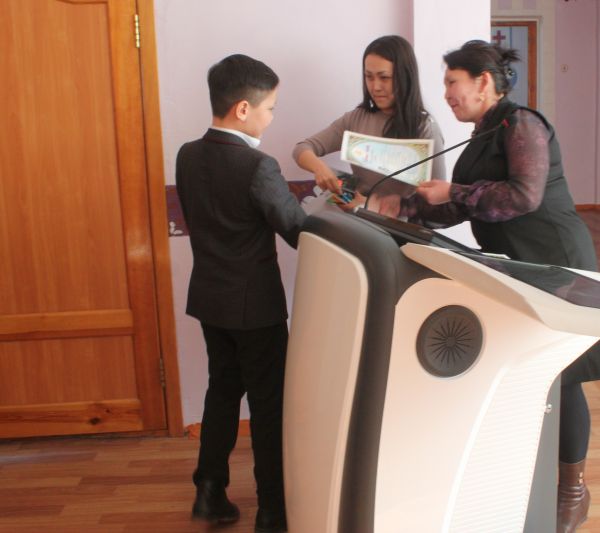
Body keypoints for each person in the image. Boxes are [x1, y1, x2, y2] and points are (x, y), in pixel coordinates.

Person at [402, 40, 600, 533]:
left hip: (556, 263)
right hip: (519, 267)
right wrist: (402, 207)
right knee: (531, 371)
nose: (446, 93)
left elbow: (524, 196)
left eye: (452, 82)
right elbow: (459, 208)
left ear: (483, 81)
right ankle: (530, 477)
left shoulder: (522, 124)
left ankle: (572, 492)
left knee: (562, 374)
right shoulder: (480, 137)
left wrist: (452, 191)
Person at [176, 54, 306, 533]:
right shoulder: (258, 165)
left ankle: (209, 491)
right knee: (269, 407)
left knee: (222, 393)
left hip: (211, 299)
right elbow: (297, 230)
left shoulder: (187, 154)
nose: (271, 118)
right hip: (256, 309)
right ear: (244, 109)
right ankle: (271, 511)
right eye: (270, 108)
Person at [292, 35, 445, 216]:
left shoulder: (425, 128)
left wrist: (373, 205)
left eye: (384, 77)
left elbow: (438, 204)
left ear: (405, 77)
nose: (375, 87)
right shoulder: (356, 119)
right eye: (368, 77)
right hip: (355, 218)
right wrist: (320, 168)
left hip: (397, 226)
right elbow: (302, 148)